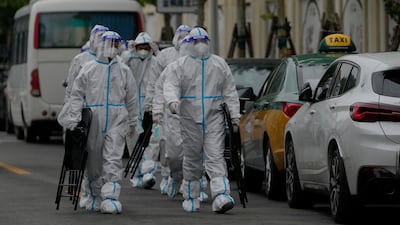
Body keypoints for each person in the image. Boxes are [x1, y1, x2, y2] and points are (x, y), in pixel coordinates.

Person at [59, 30, 140, 214]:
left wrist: (134, 121)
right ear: (101, 45)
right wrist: (73, 118)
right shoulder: (88, 68)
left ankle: (111, 196)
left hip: (117, 118)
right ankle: (94, 192)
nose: (112, 47)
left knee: (113, 158)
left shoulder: (124, 70)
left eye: (115, 44)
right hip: (93, 119)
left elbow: (132, 97)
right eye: (108, 43)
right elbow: (77, 94)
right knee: (94, 160)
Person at [163, 27, 240, 213]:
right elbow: (170, 85)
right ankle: (191, 194)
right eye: (196, 42)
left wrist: (235, 115)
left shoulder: (219, 64)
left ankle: (221, 194)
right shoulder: (180, 65)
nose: (200, 46)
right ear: (189, 44)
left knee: (215, 155)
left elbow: (229, 91)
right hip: (189, 118)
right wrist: (172, 102)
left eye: (203, 41)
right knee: (192, 158)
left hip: (214, 117)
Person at [58, 24, 109, 208]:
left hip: (109, 114)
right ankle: (90, 191)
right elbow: (72, 89)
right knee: (90, 154)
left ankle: (104, 193)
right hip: (87, 115)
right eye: (100, 36)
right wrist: (72, 113)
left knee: (109, 156)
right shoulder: (81, 59)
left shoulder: (113, 60)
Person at [149, 24, 191, 195]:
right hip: (171, 114)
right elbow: (158, 86)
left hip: (194, 115)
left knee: (196, 152)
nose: (184, 41)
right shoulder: (168, 60)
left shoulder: (206, 64)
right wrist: (156, 108)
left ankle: (194, 185)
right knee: (172, 152)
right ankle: (174, 175)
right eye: (181, 37)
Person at [122, 32, 159, 189]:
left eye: (146, 47)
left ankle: (148, 172)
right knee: (133, 141)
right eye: (140, 47)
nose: (143, 50)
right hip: (131, 107)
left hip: (149, 106)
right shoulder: (128, 60)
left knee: (151, 140)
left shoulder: (155, 62)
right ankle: (137, 174)